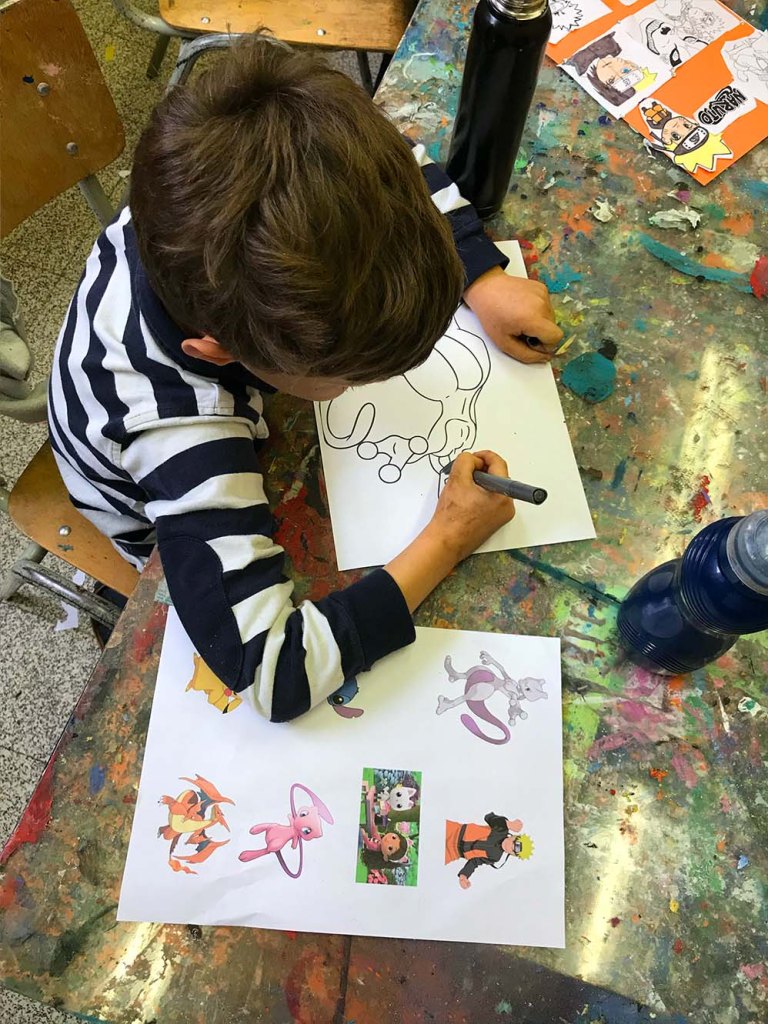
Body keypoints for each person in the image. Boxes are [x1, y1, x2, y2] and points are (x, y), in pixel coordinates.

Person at [48, 35, 562, 722]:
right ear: (223, 353)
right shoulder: (182, 432)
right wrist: (447, 536)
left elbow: (401, 162)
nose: (364, 389)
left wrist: (482, 275)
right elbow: (274, 673)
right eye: (348, 378)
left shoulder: (235, 163)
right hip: (143, 514)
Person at [445, 813, 533, 888]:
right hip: (453, 830)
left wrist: (464, 875)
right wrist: (508, 824)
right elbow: (488, 817)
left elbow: (475, 862)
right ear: (514, 836)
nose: (511, 847)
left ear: (513, 854)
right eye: (516, 843)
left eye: (515, 850)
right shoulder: (502, 829)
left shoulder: (495, 857)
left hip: (452, 853)